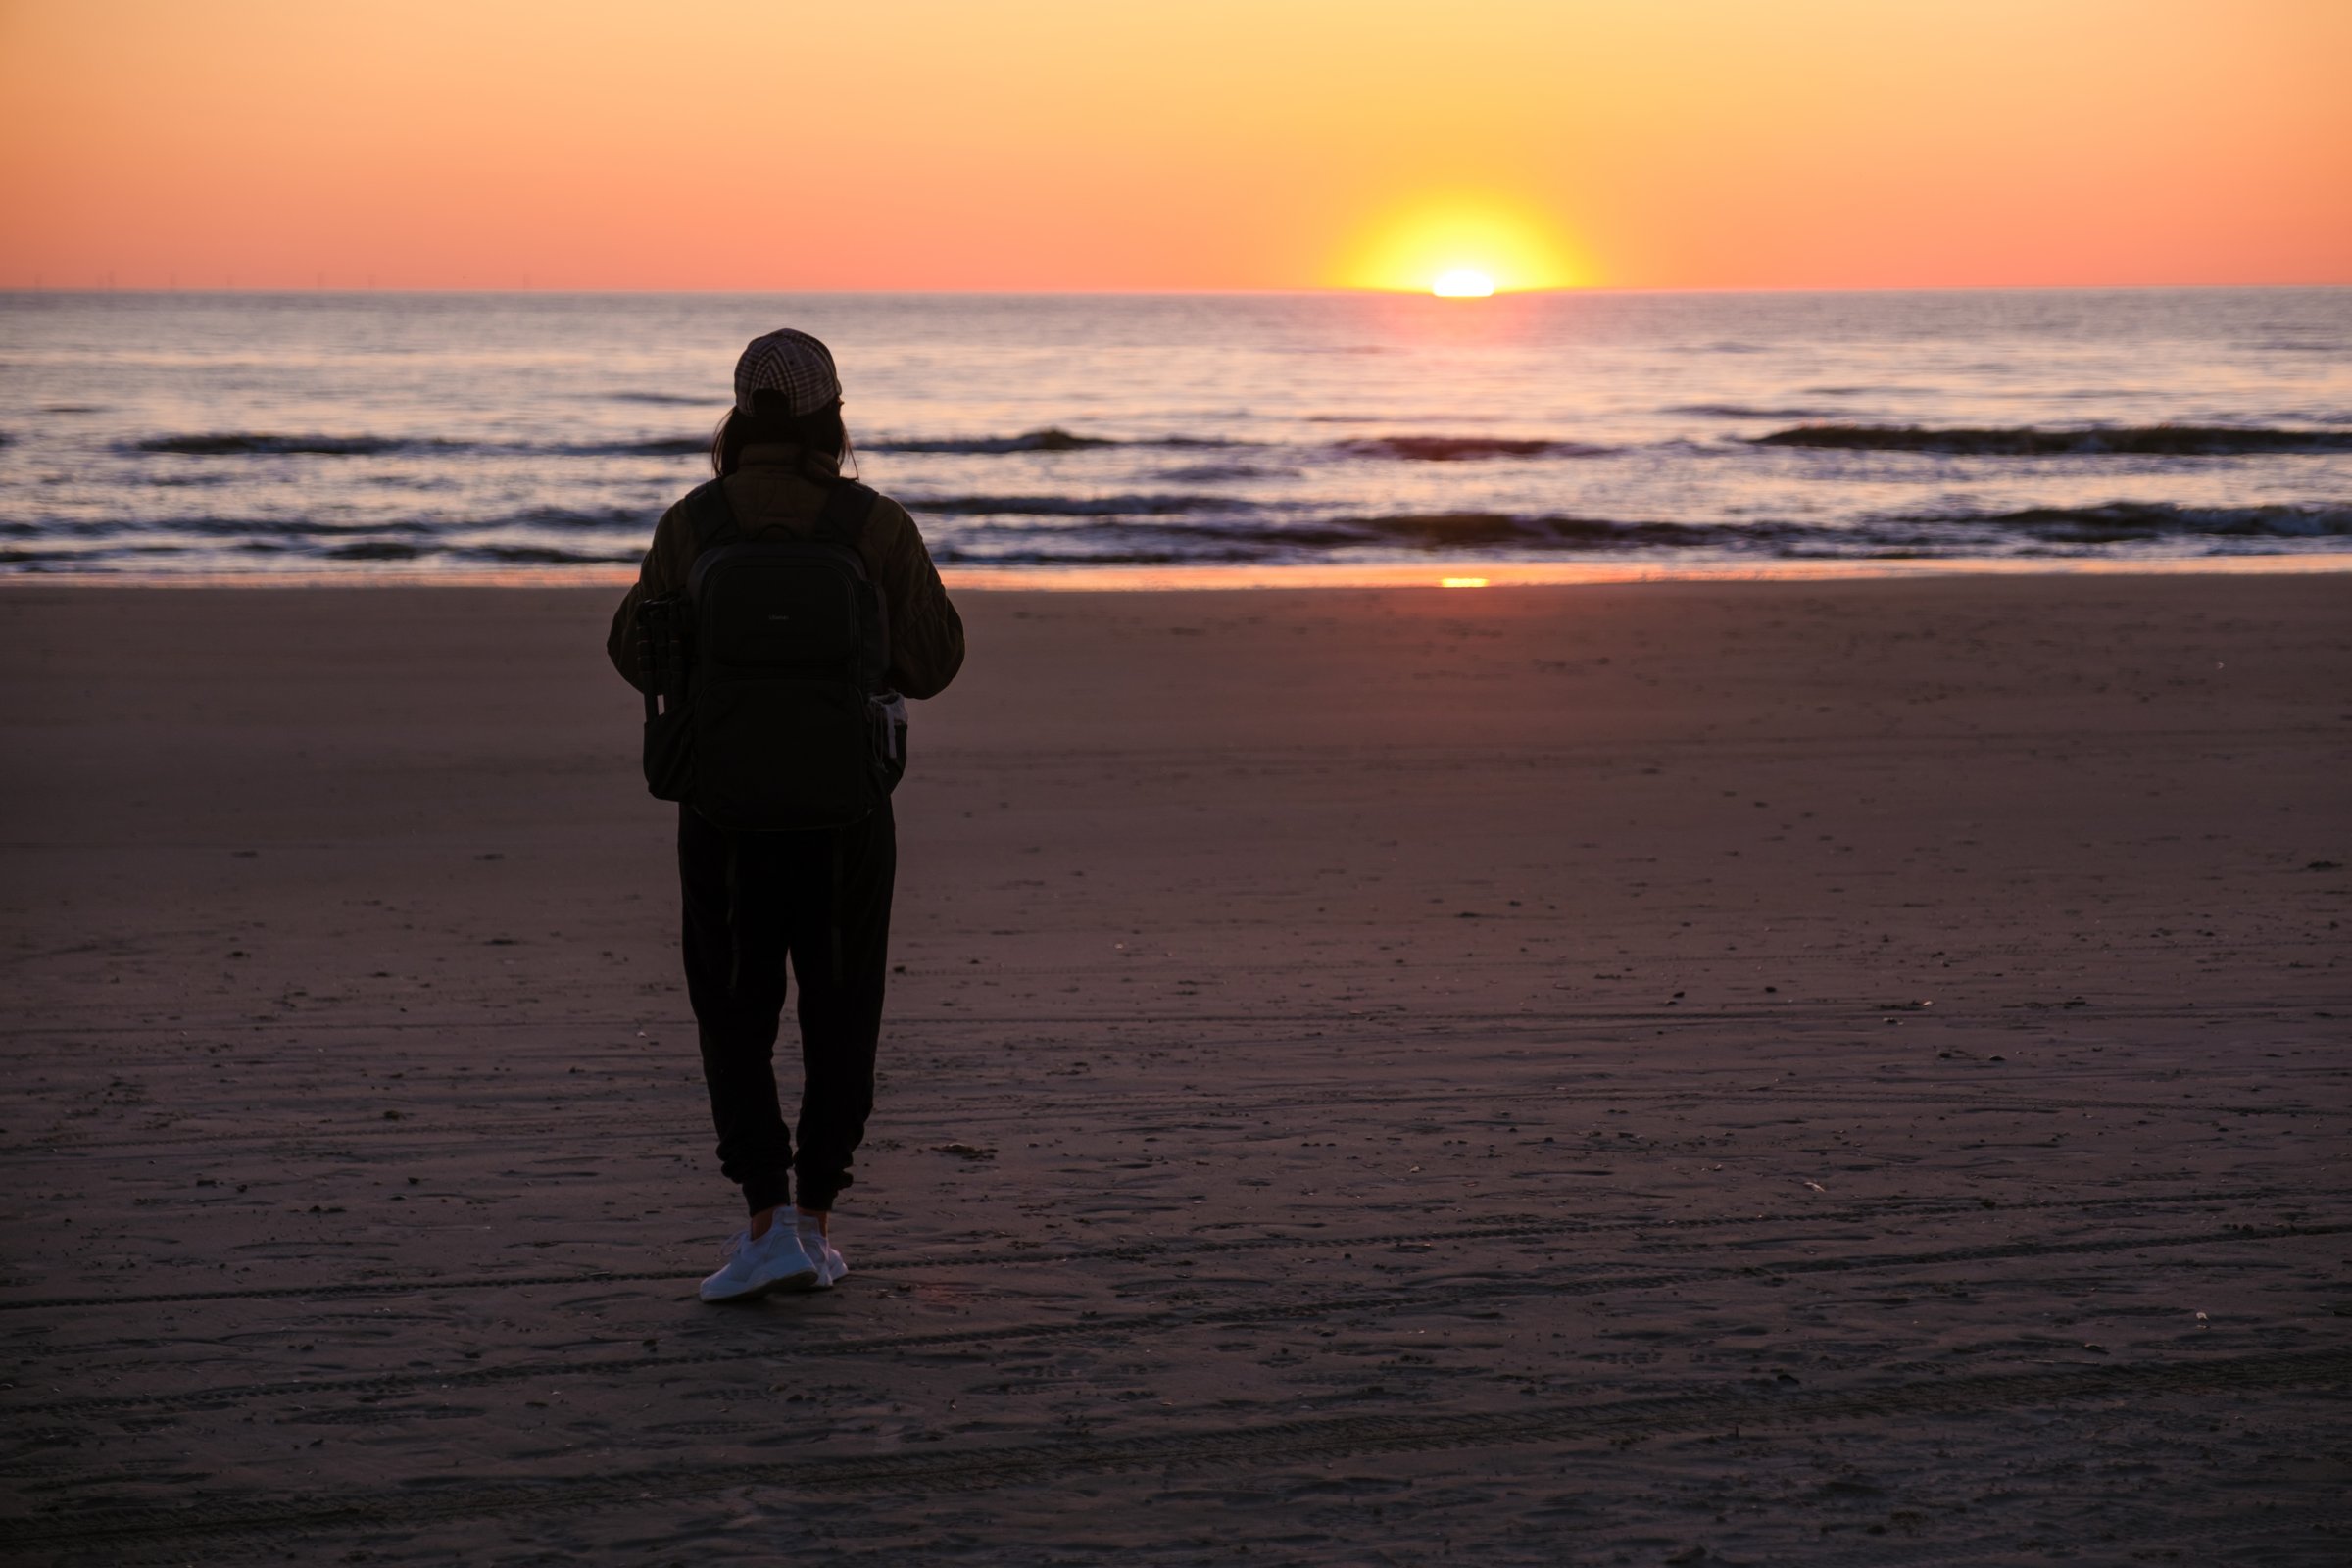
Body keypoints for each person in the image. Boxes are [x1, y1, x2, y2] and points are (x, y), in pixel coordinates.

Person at [608, 328, 964, 1302]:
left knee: (734, 1010)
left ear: (737, 415)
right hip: (847, 808)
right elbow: (936, 663)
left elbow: (631, 654)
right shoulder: (871, 524)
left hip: (722, 808)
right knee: (844, 1009)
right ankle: (816, 1222)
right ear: (831, 414)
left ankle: (764, 1224)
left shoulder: (695, 522)